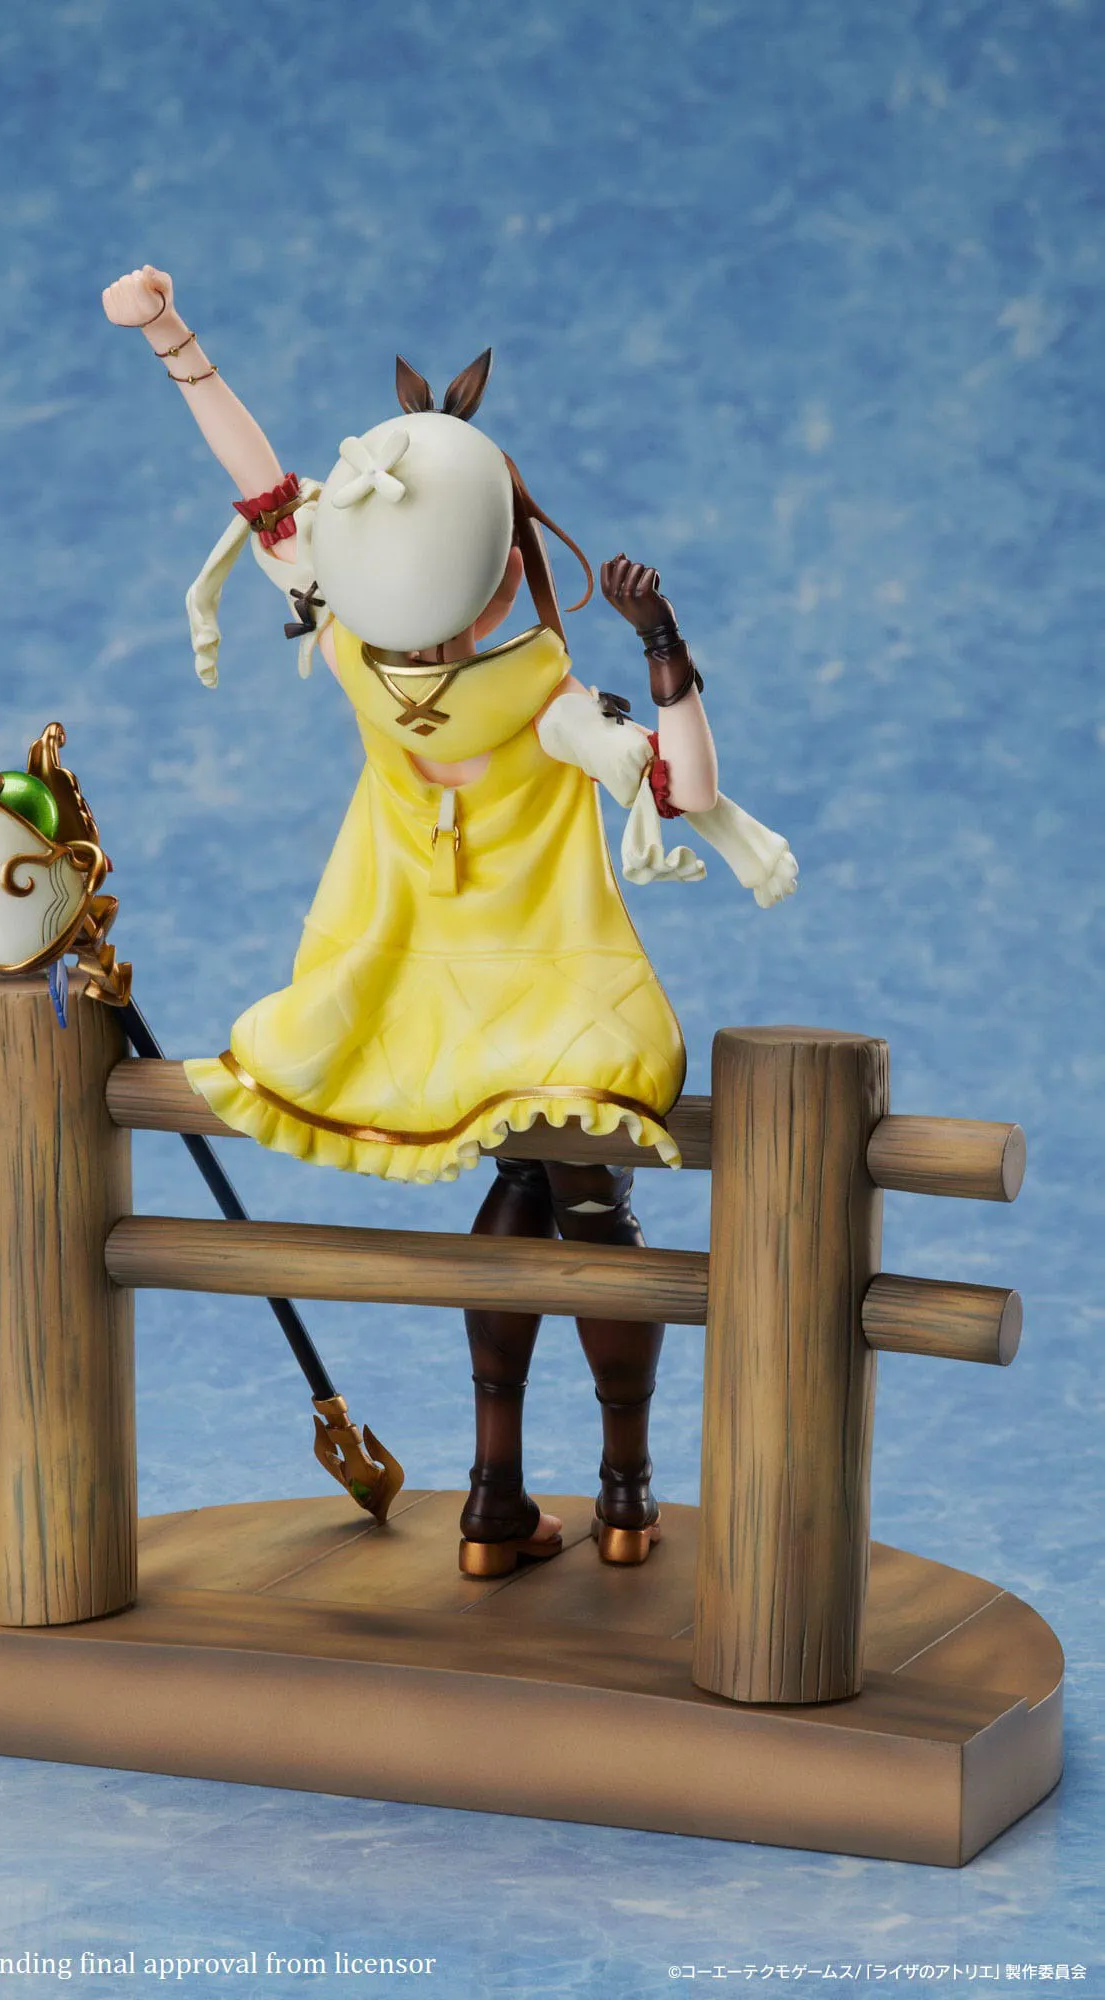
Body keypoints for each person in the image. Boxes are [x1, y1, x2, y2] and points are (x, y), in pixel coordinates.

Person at [103, 266, 797, 1576]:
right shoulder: (546, 696)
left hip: (410, 998)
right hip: (560, 1005)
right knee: (590, 1210)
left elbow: (261, 490)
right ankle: (625, 1494)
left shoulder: (352, 657)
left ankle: (492, 1500)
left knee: (518, 1187)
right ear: (506, 564)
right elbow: (685, 790)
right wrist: (665, 649)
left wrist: (172, 339)